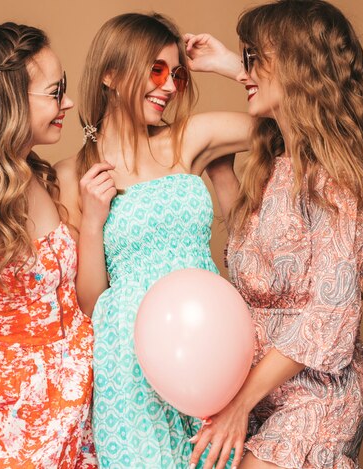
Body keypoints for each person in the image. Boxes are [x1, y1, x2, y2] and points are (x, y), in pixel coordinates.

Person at [186, 1, 363, 468]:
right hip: (257, 388)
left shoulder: (341, 178)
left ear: (295, 67)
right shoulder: (279, 161)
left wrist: (239, 404)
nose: (244, 70)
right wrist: (223, 175)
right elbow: (259, 265)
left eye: (254, 59)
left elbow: (329, 313)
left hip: (315, 393)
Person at [54, 12, 252, 468]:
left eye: (176, 75)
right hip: (128, 365)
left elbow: (290, 121)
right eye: (156, 70)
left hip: (209, 349)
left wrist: (229, 66)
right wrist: (92, 221)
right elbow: (89, 304)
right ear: (110, 73)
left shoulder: (190, 138)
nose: (168, 87)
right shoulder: (71, 174)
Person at [0, 23, 96, 468]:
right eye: (55, 91)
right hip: (14, 418)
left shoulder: (34, 173)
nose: (68, 102)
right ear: (9, 98)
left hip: (73, 413)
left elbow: (78, 301)